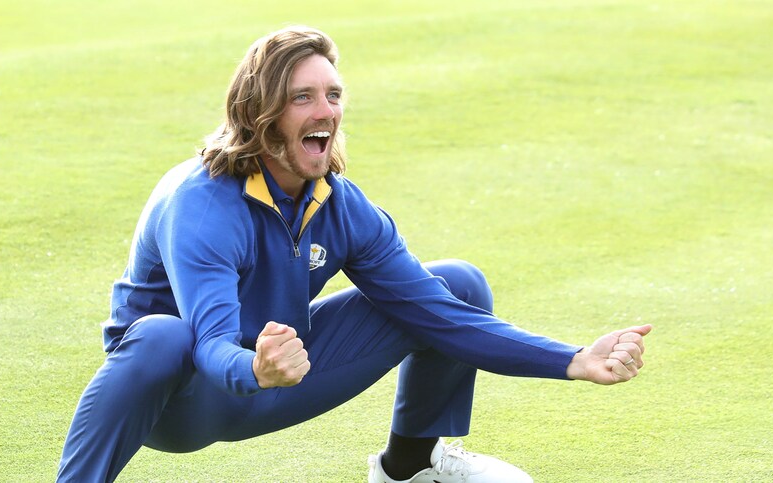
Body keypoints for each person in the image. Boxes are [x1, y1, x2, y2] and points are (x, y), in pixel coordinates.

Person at [57, 25, 652, 483]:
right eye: (303, 98)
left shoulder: (340, 204)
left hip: (283, 379)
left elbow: (441, 315)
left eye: (334, 95)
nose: (327, 111)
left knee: (456, 286)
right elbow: (209, 345)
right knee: (162, 335)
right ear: (259, 114)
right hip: (185, 402)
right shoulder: (203, 204)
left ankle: (409, 469)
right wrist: (256, 369)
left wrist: (573, 360)